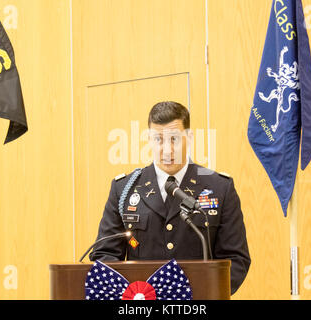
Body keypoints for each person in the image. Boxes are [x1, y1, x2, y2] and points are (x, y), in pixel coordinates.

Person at [90, 101, 250, 294]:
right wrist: (131, 294)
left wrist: (198, 295)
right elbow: (105, 254)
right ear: (149, 139)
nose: (167, 150)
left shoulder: (219, 188)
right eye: (158, 139)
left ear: (189, 138)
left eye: (174, 139)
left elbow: (235, 259)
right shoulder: (124, 188)